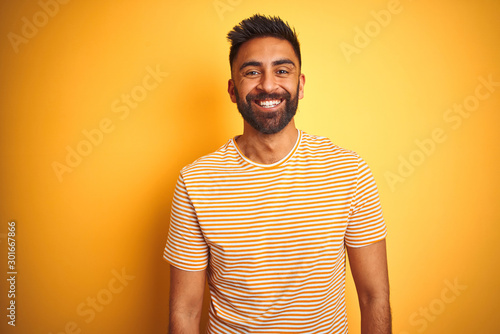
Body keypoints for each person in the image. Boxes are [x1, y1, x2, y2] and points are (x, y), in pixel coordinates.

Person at [164, 14, 391, 334]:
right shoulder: (195, 181)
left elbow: (373, 297)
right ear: (232, 90)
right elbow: (185, 312)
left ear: (299, 85)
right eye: (252, 72)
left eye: (282, 71)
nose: (268, 84)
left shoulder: (349, 171)